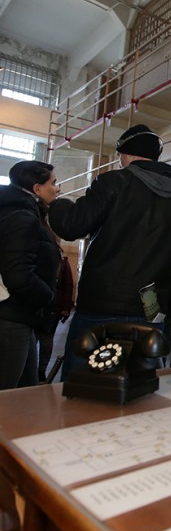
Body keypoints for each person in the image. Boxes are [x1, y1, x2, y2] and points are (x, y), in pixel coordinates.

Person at [49, 124, 171, 380]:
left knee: (83, 381)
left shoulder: (114, 181)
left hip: (101, 303)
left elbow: (71, 225)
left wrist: (58, 203)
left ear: (126, 155)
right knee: (138, 382)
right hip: (151, 308)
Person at [0, 160, 61, 389]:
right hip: (11, 317)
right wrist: (48, 297)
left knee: (25, 394)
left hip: (18, 317)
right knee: (7, 398)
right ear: (37, 188)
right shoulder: (21, 217)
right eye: (53, 183)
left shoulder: (17, 211)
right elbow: (18, 276)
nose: (57, 188)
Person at [35, 253, 74, 381]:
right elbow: (68, 285)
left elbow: (68, 285)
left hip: (48, 307)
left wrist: (65, 307)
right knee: (43, 339)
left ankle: (39, 370)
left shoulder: (62, 261)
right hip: (50, 306)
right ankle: (39, 370)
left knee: (41, 339)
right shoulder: (61, 260)